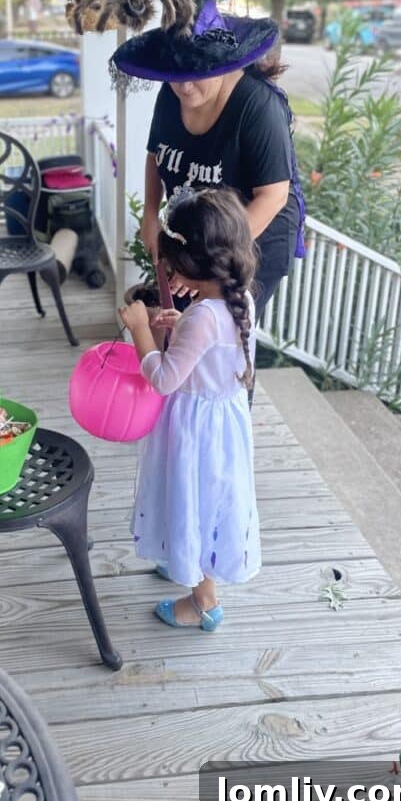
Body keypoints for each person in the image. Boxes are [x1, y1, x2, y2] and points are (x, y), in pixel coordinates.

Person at [107, 0, 305, 322]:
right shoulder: (171, 91)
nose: (184, 89)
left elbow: (272, 197)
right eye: (176, 78)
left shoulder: (256, 107)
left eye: (197, 77)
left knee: (223, 333)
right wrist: (151, 217)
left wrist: (206, 268)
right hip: (195, 235)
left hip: (250, 238)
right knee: (179, 323)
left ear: (224, 62)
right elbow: (156, 155)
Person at [118, 187, 260, 630]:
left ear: (190, 263)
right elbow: (216, 353)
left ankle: (204, 602)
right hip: (223, 426)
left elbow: (163, 379)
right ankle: (190, 565)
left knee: (192, 504)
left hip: (195, 432)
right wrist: (181, 327)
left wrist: (141, 328)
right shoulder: (240, 301)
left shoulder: (202, 316)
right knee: (211, 504)